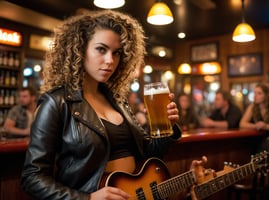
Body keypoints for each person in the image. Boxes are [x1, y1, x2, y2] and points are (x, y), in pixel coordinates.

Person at [21, 10, 182, 200]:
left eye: (117, 53)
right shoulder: (56, 102)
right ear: (80, 49)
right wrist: (87, 199)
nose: (110, 61)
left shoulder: (117, 100)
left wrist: (168, 127)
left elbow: (150, 154)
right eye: (101, 49)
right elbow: (32, 177)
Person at [239, 82, 269, 199]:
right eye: (255, 93)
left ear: (267, 95)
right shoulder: (252, 107)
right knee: (258, 182)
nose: (255, 95)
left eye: (259, 93)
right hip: (257, 147)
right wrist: (255, 126)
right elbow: (242, 124)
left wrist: (265, 126)